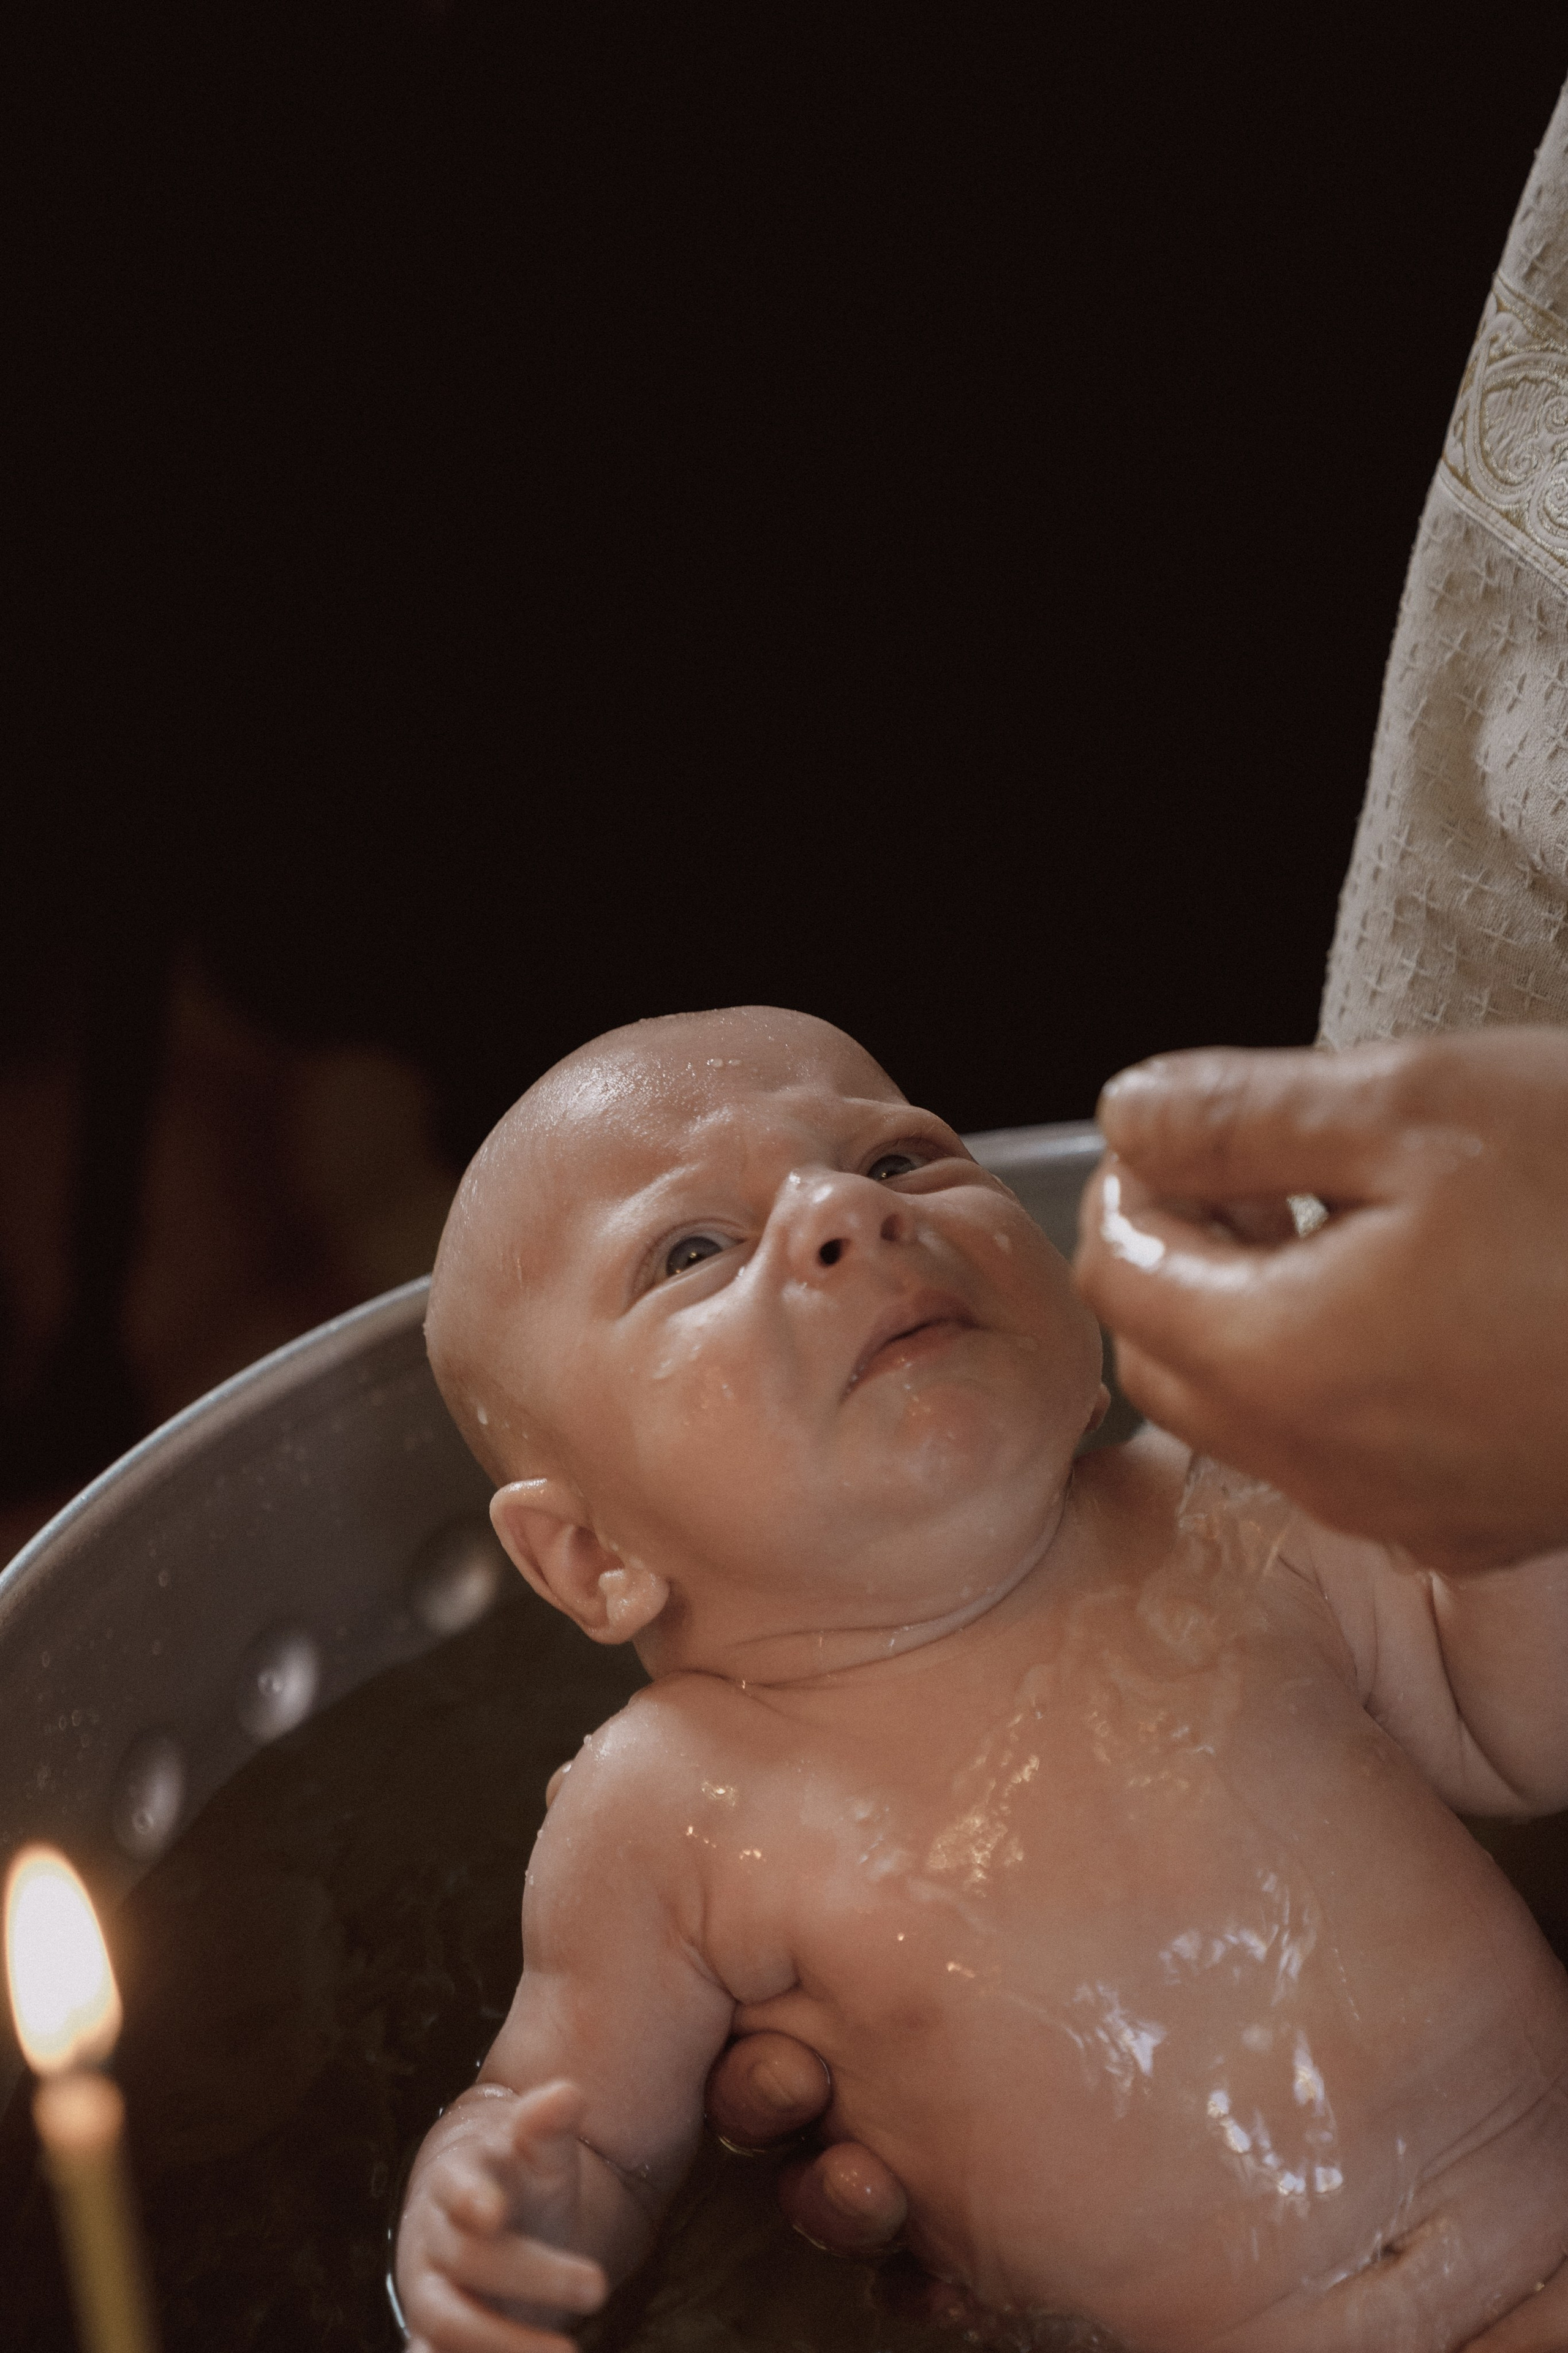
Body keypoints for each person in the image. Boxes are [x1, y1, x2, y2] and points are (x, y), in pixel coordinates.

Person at [394, 1005, 1568, 2353]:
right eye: (692, 1249)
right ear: (592, 1553)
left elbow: (1524, 1732)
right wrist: (497, 2217)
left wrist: (1494, 1475)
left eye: (898, 1161)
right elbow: (583, 2128)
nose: (848, 1209)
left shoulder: (1237, 1504)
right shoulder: (669, 1808)